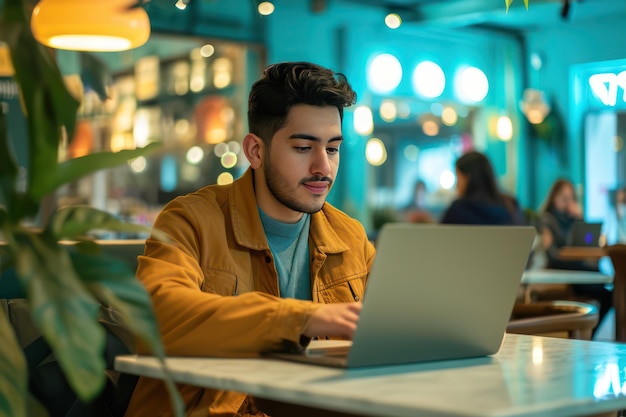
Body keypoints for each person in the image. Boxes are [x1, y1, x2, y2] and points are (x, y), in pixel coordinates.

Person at [124, 62, 376, 417]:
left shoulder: (349, 235)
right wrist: (305, 318)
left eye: (332, 149)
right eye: (304, 148)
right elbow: (153, 320)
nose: (323, 167)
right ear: (255, 151)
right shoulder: (191, 220)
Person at [539, 178, 612, 330]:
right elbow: (552, 256)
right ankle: (586, 334)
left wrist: (580, 219)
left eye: (570, 198)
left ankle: (586, 334)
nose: (567, 202)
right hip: (559, 269)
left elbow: (586, 243)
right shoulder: (547, 219)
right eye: (563, 197)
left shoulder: (570, 220)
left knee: (608, 292)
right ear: (553, 196)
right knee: (606, 293)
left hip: (573, 268)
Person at [440, 151, 523, 225]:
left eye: (458, 178)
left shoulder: (458, 210)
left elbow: (442, 238)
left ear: (467, 178)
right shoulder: (511, 204)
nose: (456, 186)